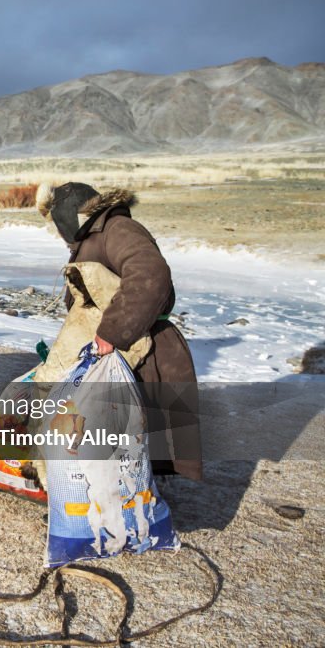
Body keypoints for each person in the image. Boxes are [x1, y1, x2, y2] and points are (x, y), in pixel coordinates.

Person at [37, 182, 201, 480]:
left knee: (115, 429)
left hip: (138, 348)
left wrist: (113, 332)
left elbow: (150, 274)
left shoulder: (117, 229)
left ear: (69, 217)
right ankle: (88, 503)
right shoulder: (96, 234)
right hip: (115, 346)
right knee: (97, 429)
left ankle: (107, 509)